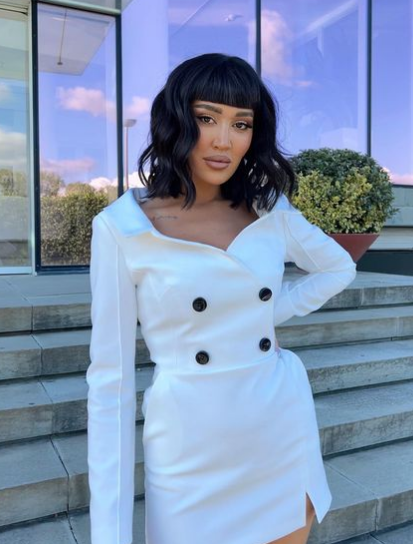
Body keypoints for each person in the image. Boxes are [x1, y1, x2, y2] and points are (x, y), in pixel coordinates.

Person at [86, 53, 357, 544]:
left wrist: (262, 318)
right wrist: (110, 535)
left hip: (276, 422)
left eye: (241, 124)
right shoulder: (123, 227)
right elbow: (110, 386)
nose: (224, 140)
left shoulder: (269, 209)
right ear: (175, 120)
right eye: (207, 118)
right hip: (187, 445)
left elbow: (339, 267)